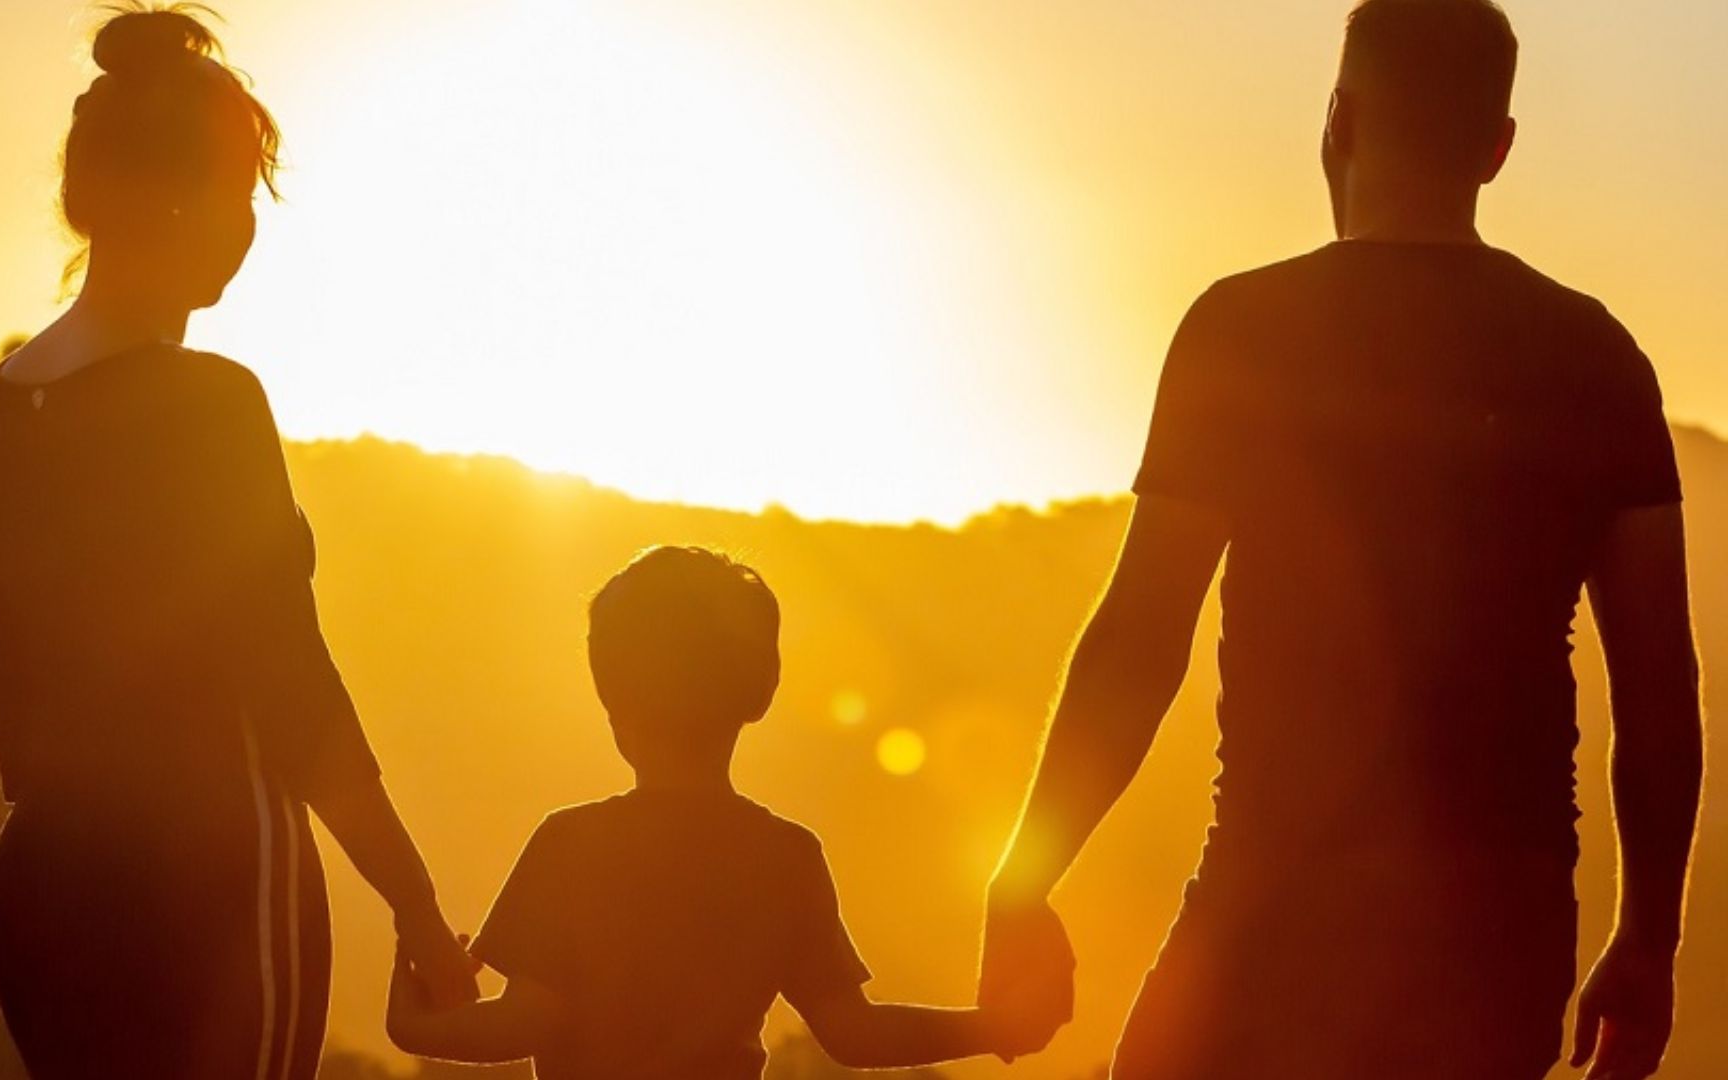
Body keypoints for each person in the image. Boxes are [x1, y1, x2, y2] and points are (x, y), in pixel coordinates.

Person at [979, 2, 1703, 1079]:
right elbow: (1657, 694)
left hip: (1274, 899)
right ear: (1498, 149)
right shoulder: (1596, 355)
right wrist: (1650, 940)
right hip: (1499, 925)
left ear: (1338, 119)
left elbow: (1139, 637)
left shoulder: (1246, 329)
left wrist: (1022, 881)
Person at [0, 7, 476, 1077]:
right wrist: (415, 903)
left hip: (46, 885)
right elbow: (292, 688)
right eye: (244, 193)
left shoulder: (10, 405)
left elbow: (13, 683)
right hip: (209, 884)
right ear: (192, 201)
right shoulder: (209, 403)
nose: (247, 226)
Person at [384, 546, 1064, 1078]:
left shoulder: (571, 845)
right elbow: (854, 1033)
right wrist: (995, 1026)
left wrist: (415, 1029)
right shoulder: (786, 856)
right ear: (758, 692)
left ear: (612, 702)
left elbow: (524, 1023)